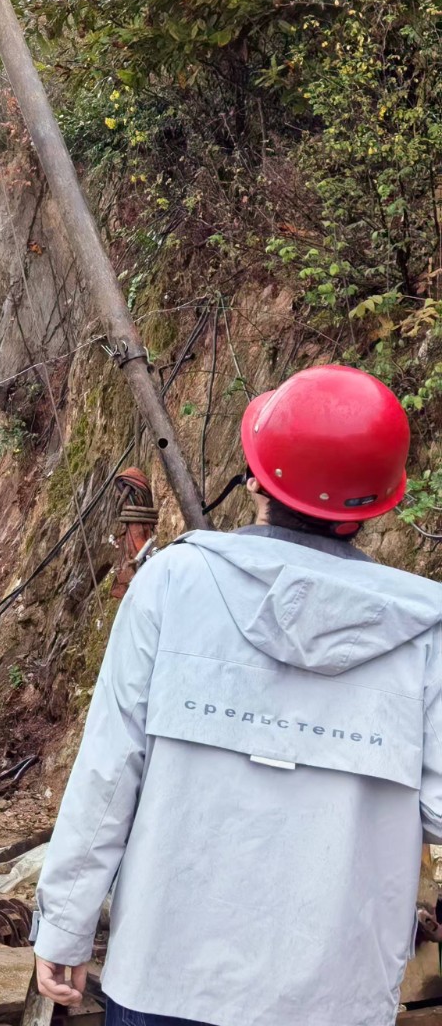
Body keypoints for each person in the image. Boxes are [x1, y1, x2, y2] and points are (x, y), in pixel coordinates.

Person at [32, 364, 442, 1026]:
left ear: (256, 478)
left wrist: (64, 925)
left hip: (165, 976)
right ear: (378, 502)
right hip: (335, 998)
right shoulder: (426, 630)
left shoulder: (172, 582)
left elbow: (109, 773)